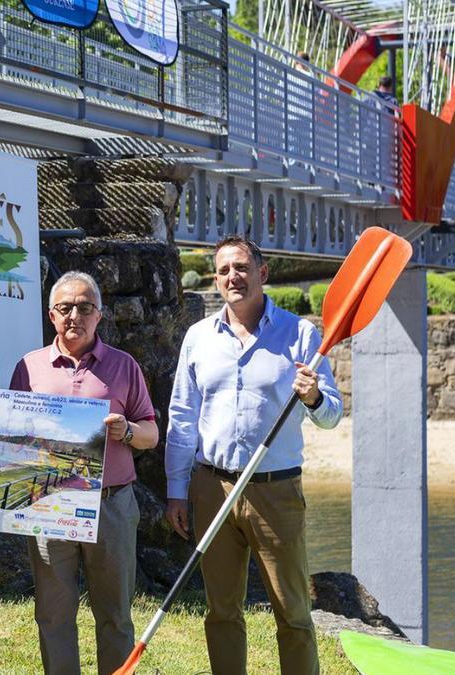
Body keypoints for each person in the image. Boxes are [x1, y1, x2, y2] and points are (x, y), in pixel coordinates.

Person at [165, 236, 342, 675]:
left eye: (241, 267)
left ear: (262, 273)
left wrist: (316, 396)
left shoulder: (300, 335)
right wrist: (175, 490)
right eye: (224, 270)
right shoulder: (198, 337)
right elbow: (182, 417)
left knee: (293, 614)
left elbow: (332, 415)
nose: (232, 277)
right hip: (212, 487)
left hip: (275, 491)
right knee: (222, 610)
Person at [9, 271, 159, 675]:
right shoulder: (28, 368)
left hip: (111, 504)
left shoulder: (124, 366)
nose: (74, 314)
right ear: (51, 315)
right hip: (50, 504)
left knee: (115, 615)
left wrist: (126, 431)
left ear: (99, 314)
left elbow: (151, 433)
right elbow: (12, 438)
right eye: (65, 308)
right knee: (53, 614)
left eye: (85, 307)